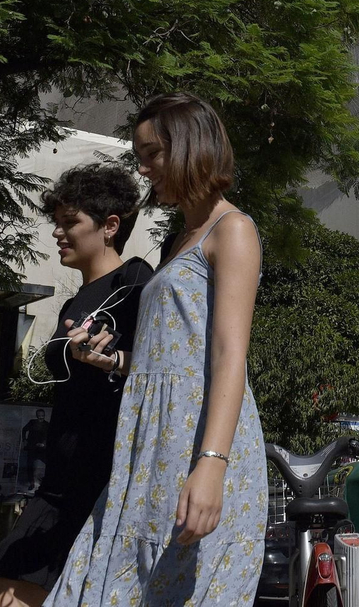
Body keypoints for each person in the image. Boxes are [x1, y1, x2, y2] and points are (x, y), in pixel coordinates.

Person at [47, 93, 266, 607]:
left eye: (152, 154)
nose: (143, 170)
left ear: (189, 147)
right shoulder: (180, 240)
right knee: (96, 583)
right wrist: (115, 360)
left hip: (198, 444)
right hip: (148, 444)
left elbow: (229, 354)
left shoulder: (232, 230)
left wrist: (212, 465)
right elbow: (174, 355)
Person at [0, 163, 151, 607]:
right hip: (60, 480)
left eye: (70, 222)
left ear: (110, 226)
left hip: (102, 481)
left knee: (6, 598)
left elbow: (162, 368)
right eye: (57, 223)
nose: (58, 233)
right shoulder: (75, 301)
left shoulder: (136, 282)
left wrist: (112, 359)